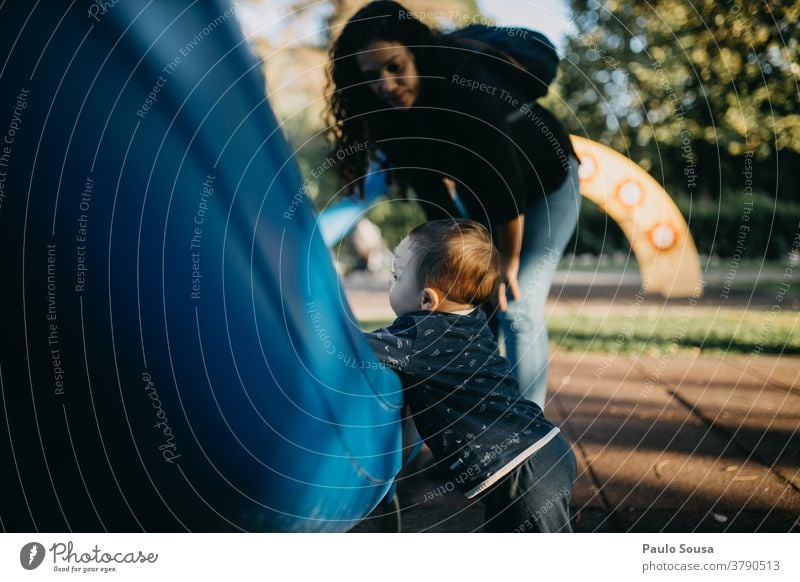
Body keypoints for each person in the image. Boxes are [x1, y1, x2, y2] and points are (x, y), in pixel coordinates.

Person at [327, 0, 582, 407]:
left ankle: (525, 430)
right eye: (372, 76)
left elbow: (506, 180)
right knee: (470, 306)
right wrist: (447, 270)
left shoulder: (463, 80)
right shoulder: (390, 117)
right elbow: (433, 198)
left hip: (547, 185)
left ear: (414, 51)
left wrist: (508, 262)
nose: (387, 84)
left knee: (516, 303)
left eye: (395, 66)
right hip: (484, 199)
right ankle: (473, 420)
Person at [364, 219, 575, 532]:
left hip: (522, 471)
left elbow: (352, 348)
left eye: (396, 276)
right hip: (540, 452)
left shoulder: (420, 335)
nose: (389, 283)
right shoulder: (473, 318)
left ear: (427, 300)